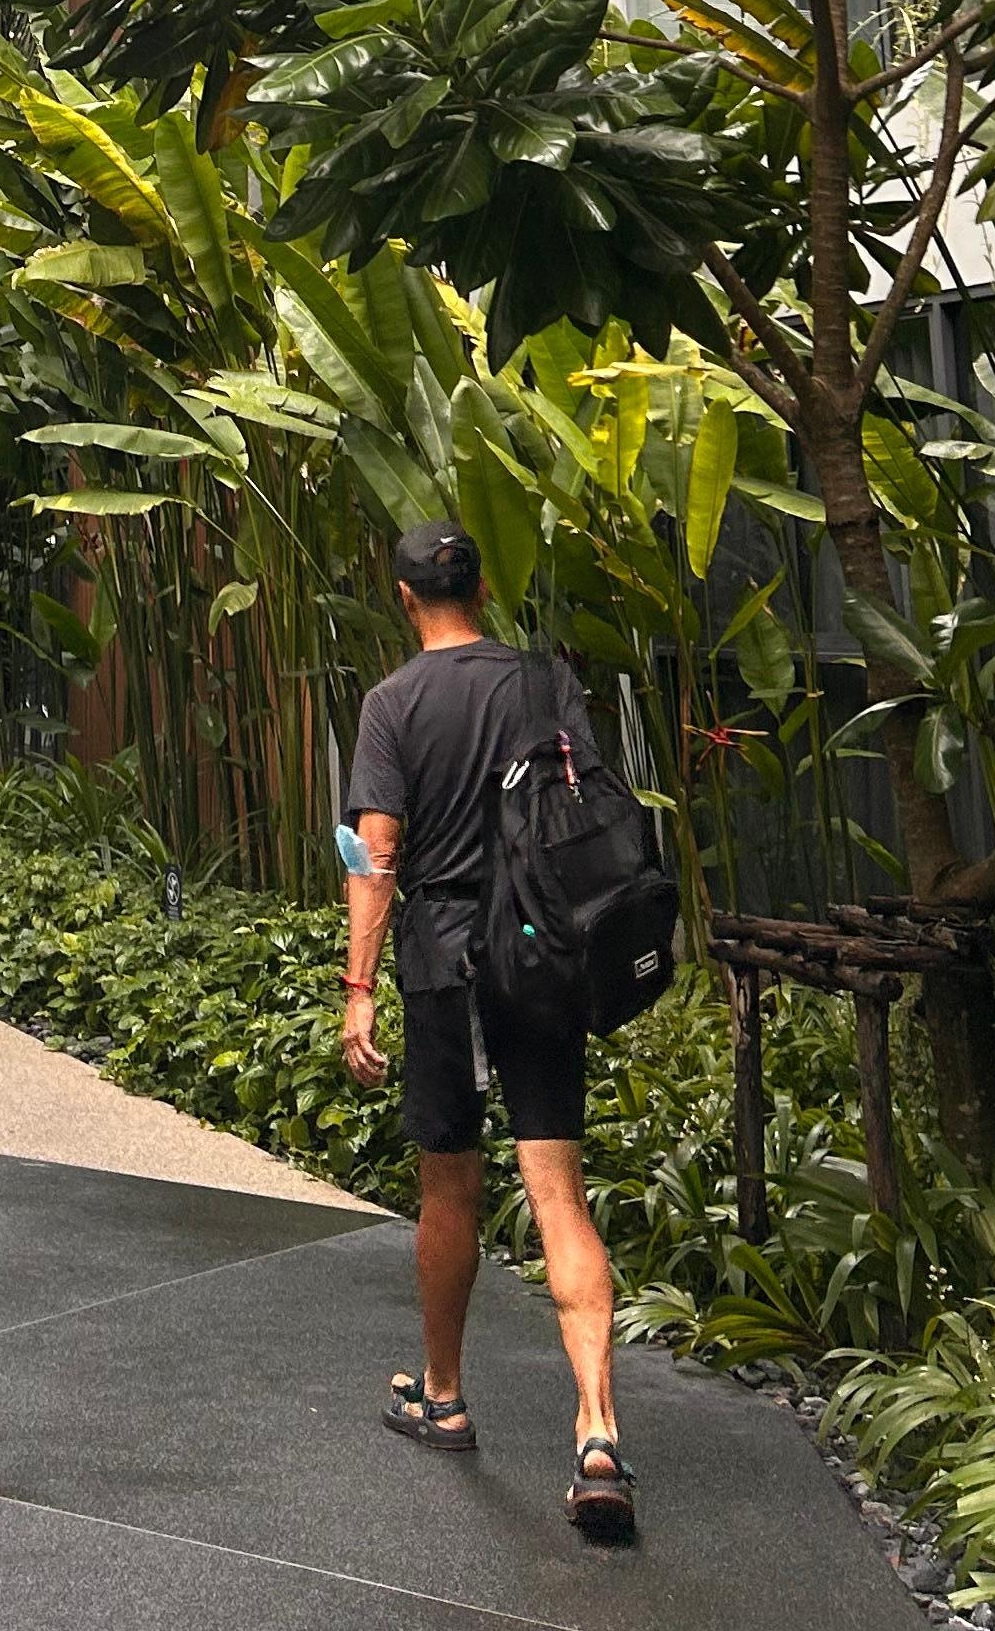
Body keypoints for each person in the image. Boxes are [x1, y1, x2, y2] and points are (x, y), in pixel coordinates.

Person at [340, 520, 635, 1543]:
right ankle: (597, 1432)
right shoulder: (543, 683)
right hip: (543, 956)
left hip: (443, 962)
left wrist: (358, 987)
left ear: (406, 598)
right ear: (480, 589)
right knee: (558, 1193)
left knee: (449, 1186)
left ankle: (445, 1395)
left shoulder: (393, 704)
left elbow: (376, 854)